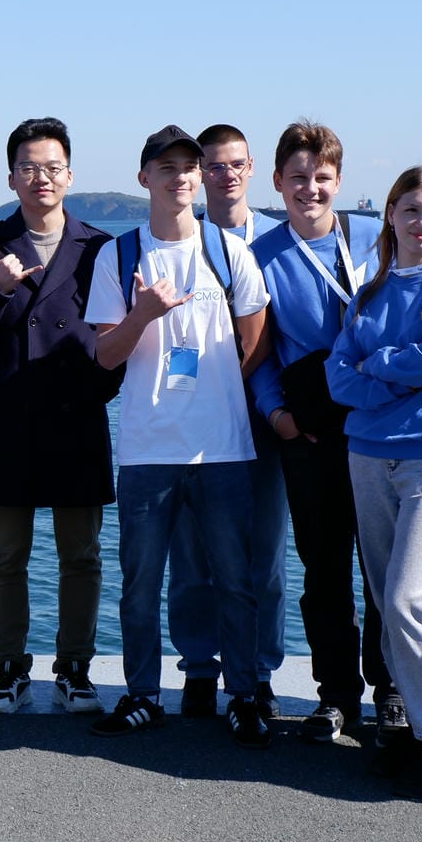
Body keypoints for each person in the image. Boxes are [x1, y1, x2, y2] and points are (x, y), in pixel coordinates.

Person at [85, 126, 272, 744]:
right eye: (166, 168)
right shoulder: (118, 256)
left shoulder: (230, 253)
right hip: (146, 449)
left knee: (234, 580)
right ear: (144, 178)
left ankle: (244, 693)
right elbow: (105, 357)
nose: (181, 178)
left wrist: (214, 395)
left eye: (190, 167)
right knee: (140, 584)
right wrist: (144, 314)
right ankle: (142, 694)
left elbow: (255, 343)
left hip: (221, 447)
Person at [0, 117, 122, 716]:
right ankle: (9, 668)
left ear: (69, 176)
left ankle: (74, 667)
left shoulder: (101, 247)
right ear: (11, 177)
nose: (40, 178)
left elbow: (114, 339)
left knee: (82, 555)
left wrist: (101, 384)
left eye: (51, 167)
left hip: (76, 418)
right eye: (28, 167)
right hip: (9, 420)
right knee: (5, 557)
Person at [328, 166, 422, 798]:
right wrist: (394, 377)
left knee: (410, 599)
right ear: (389, 216)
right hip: (367, 456)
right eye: (412, 210)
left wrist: (380, 366)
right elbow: (337, 380)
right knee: (385, 598)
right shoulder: (368, 292)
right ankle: (411, 729)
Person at [247, 120, 393, 743]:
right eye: (299, 178)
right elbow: (255, 356)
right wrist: (278, 417)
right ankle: (336, 694)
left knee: (383, 566)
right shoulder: (260, 257)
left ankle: (391, 688)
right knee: (323, 568)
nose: (311, 189)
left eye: (323, 178)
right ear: (278, 182)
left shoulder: (372, 238)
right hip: (311, 432)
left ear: (340, 181)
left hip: (381, 427)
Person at [189, 122, 286, 721]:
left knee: (264, 558)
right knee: (194, 556)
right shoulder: (177, 239)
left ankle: (259, 670)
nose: (225, 175)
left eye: (235, 165)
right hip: (192, 422)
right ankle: (200, 667)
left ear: (252, 170)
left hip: (262, 421)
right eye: (213, 166)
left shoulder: (275, 243)